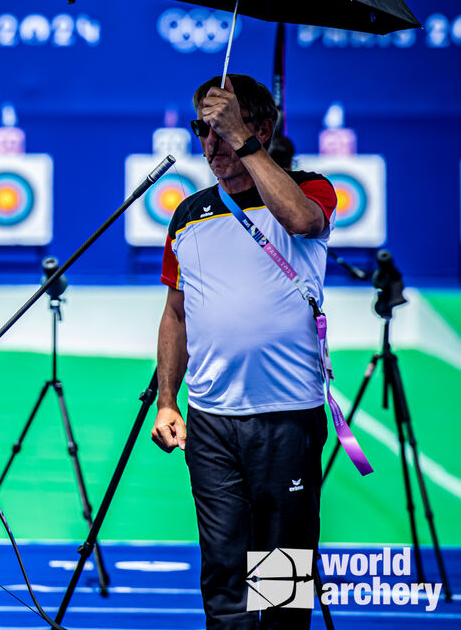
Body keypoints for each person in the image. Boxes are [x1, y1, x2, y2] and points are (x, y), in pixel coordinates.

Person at [151, 74, 337, 628]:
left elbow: (302, 220)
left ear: (261, 128)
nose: (211, 144)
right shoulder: (187, 215)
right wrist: (167, 401)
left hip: (286, 419)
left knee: (280, 585)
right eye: (202, 130)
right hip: (211, 423)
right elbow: (175, 314)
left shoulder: (310, 189)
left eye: (223, 129)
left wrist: (245, 142)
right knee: (225, 576)